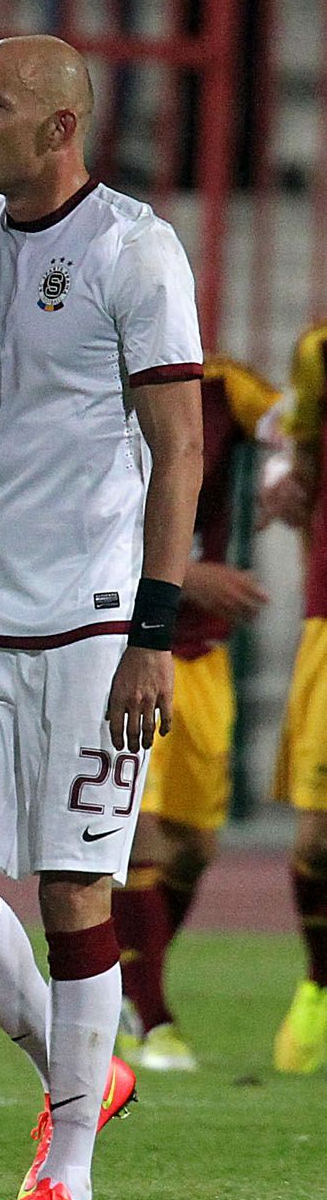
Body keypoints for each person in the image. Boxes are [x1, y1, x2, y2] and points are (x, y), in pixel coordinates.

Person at [0, 35, 202, 1200]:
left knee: (73, 888)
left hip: (92, 622)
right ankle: (82, 1069)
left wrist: (152, 634)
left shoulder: (132, 248)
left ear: (58, 127)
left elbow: (179, 447)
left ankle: (63, 1176)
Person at [113, 357, 280, 1072]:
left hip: (201, 657)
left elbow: (292, 430)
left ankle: (114, 981)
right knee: (134, 837)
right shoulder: (94, 373)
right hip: (118, 641)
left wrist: (285, 478)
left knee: (192, 847)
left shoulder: (225, 385)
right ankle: (151, 1019)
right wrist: (187, 577)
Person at [267, 318, 327, 1074]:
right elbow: (301, 462)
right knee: (318, 837)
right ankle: (318, 983)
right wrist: (291, 486)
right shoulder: (317, 351)